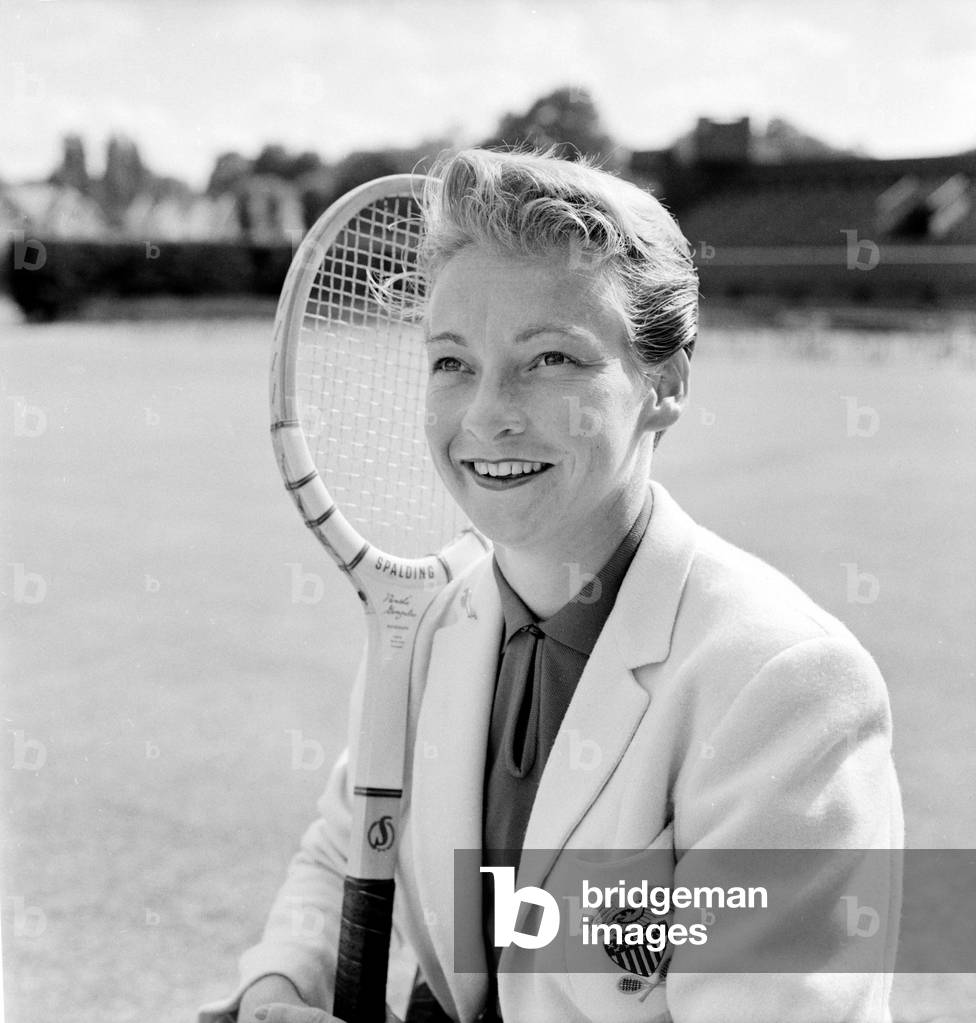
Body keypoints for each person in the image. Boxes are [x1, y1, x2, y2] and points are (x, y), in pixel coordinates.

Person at [200, 148, 903, 1023]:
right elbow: (345, 840)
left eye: (550, 360)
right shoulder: (428, 617)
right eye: (452, 361)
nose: (488, 412)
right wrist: (277, 990)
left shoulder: (788, 685)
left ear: (667, 381)